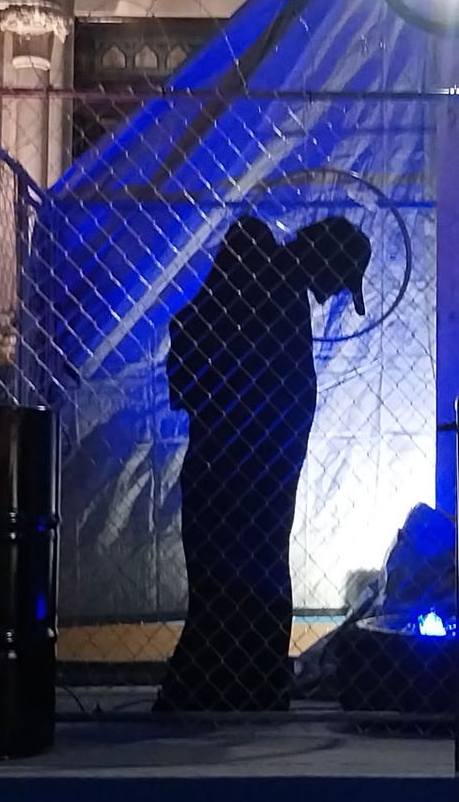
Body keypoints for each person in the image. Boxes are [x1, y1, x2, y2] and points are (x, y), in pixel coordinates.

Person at [155, 214, 373, 712]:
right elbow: (197, 341)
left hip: (256, 479)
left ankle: (237, 691)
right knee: (231, 588)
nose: (332, 293)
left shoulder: (277, 288)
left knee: (241, 586)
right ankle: (224, 693)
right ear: (324, 261)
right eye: (337, 281)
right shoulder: (256, 266)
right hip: (237, 474)